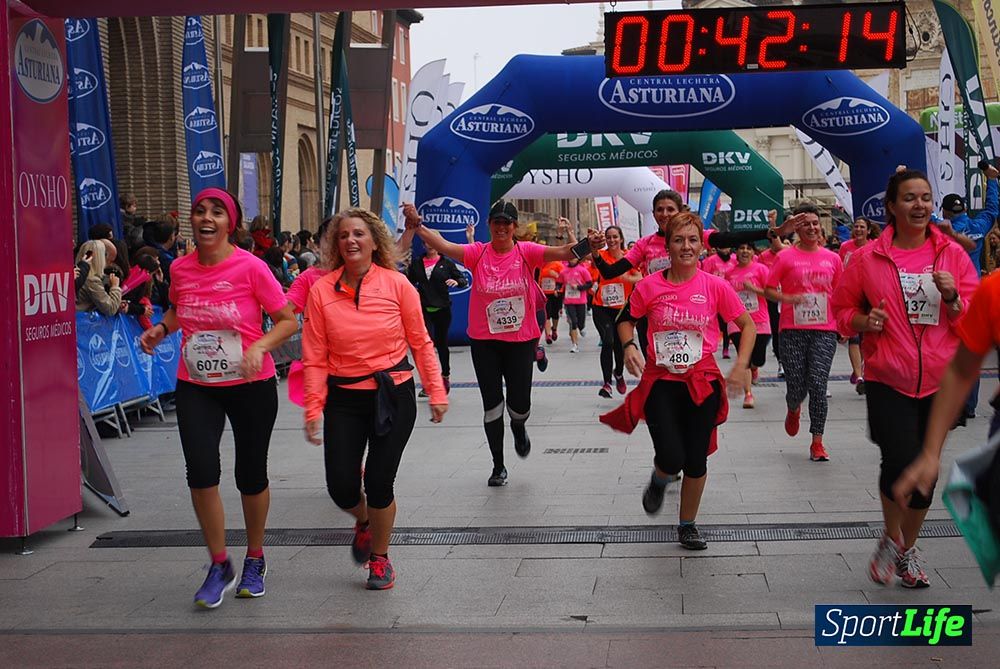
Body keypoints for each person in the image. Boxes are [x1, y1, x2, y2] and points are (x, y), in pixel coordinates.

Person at [139, 188, 298, 608]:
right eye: (200, 211)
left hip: (251, 384)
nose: (206, 217)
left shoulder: (252, 268)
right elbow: (178, 309)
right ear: (191, 221)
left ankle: (255, 558)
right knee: (202, 471)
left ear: (231, 223)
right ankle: (218, 562)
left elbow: (287, 321)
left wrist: (260, 347)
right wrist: (161, 329)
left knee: (250, 475)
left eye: (217, 212)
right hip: (197, 384)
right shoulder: (181, 269)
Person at [833, 168, 978, 588]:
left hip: (941, 378)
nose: (921, 206)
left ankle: (903, 548)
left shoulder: (951, 255)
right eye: (911, 198)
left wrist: (953, 298)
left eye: (926, 198)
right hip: (888, 376)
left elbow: (972, 319)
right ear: (892, 207)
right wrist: (867, 319)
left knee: (925, 477)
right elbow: (842, 314)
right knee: (898, 461)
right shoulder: (866, 259)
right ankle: (894, 540)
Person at [407, 199, 600, 487]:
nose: (501, 227)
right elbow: (444, 245)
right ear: (489, 225)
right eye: (496, 222)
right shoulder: (477, 253)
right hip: (485, 342)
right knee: (492, 406)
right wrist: (418, 225)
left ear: (514, 227)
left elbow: (563, 252)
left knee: (519, 405)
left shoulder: (527, 252)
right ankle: (498, 465)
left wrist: (589, 244)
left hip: (520, 341)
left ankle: (519, 426)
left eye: (506, 223)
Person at [302, 208, 447, 590]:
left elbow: (421, 341)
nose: (351, 240)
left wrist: (435, 389)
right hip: (344, 399)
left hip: (393, 395)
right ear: (335, 244)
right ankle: (364, 519)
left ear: (374, 242)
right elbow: (314, 355)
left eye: (359, 234)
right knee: (341, 487)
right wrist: (314, 406)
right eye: (344, 235)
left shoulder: (397, 285)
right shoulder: (321, 291)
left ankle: (380, 559)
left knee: (381, 481)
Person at [602, 212, 755, 551]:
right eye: (678, 240)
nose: (686, 246)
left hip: (702, 383)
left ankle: (687, 525)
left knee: (696, 459)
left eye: (692, 240)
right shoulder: (649, 286)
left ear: (702, 246)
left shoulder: (714, 285)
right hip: (662, 383)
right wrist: (628, 346)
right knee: (671, 456)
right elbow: (625, 319)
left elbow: (747, 325)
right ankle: (660, 479)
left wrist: (741, 365)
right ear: (667, 245)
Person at [764, 203, 843, 462]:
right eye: (805, 223)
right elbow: (769, 289)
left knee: (818, 384)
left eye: (814, 223)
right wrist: (788, 297)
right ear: (797, 228)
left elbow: (841, 293)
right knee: (797, 384)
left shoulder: (832, 258)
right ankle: (793, 407)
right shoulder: (785, 257)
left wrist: (843, 323)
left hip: (824, 329)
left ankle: (817, 442)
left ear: (820, 226)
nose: (811, 227)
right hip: (792, 330)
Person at [407, 240, 468, 394]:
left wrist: (456, 281)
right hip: (424, 308)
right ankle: (429, 382)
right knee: (426, 345)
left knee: (441, 344)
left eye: (433, 241)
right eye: (427, 242)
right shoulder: (417, 263)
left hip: (442, 308)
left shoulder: (446, 263)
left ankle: (445, 376)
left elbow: (463, 280)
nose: (430, 244)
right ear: (424, 244)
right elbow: (408, 282)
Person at [592, 225, 641, 398]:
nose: (612, 240)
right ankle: (606, 383)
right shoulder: (601, 255)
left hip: (622, 310)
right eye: (609, 237)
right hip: (601, 307)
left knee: (620, 347)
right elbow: (585, 256)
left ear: (621, 238)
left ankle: (618, 373)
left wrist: (625, 277)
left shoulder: (629, 257)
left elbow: (640, 277)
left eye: (615, 237)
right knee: (608, 340)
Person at [725, 242, 772, 408]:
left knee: (757, 359)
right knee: (743, 357)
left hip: (760, 321)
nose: (744, 251)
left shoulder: (761, 270)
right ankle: (748, 394)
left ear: (753, 252)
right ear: (736, 252)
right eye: (741, 248)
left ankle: (754, 367)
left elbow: (771, 293)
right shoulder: (729, 273)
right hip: (737, 322)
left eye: (748, 248)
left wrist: (754, 289)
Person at [838, 217, 880, 394]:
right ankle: (859, 374)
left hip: (868, 295)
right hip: (852, 294)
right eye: (856, 227)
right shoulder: (845, 247)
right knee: (854, 337)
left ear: (868, 230)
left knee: (867, 337)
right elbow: (841, 269)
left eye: (862, 227)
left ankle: (866, 369)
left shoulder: (875, 246)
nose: (859, 230)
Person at [758, 222, 790, 377]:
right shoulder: (763, 257)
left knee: (788, 332)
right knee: (777, 331)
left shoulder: (788, 254)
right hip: (773, 299)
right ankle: (781, 362)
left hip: (790, 298)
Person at [701, 247, 738, 359]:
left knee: (727, 324)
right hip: (713, 296)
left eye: (727, 247)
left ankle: (726, 348)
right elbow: (704, 277)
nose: (725, 249)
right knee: (717, 323)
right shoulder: (710, 261)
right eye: (723, 247)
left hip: (730, 295)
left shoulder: (735, 260)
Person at [74, 240, 122, 316]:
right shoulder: (92, 280)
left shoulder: (76, 274)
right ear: (101, 258)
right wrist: (115, 288)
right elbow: (110, 309)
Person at [557, 257, 593, 354]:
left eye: (574, 258)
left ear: (578, 259)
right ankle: (575, 345)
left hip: (581, 301)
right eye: (571, 258)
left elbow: (589, 284)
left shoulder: (582, 270)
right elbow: (559, 283)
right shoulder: (564, 271)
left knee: (580, 323)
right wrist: (557, 290)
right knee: (573, 322)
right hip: (569, 301)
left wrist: (579, 287)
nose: (572, 260)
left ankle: (581, 328)